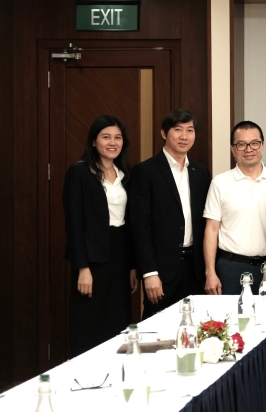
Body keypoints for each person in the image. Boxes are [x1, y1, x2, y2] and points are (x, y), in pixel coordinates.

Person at [63, 115, 138, 356]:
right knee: (89, 323)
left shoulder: (126, 174)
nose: (113, 142)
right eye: (106, 137)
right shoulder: (79, 172)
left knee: (117, 321)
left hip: (120, 255)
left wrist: (132, 266)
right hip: (92, 258)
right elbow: (74, 224)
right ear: (94, 142)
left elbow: (130, 223)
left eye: (118, 137)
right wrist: (82, 268)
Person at [128, 109, 211, 318]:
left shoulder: (201, 172)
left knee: (195, 326)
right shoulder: (145, 171)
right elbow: (140, 227)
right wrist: (149, 272)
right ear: (164, 133)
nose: (184, 136)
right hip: (161, 271)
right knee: (158, 328)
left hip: (195, 269)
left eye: (190, 130)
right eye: (178, 130)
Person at [203, 121, 266, 295]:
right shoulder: (220, 182)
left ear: (263, 145)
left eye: (254, 143)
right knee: (232, 313)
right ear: (233, 149)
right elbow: (211, 229)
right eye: (241, 144)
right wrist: (210, 272)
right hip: (231, 268)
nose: (249, 149)